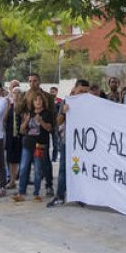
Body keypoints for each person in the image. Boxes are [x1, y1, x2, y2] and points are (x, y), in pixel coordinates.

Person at [48, 79, 89, 207]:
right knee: (64, 169)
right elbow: (58, 122)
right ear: (74, 89)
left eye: (85, 92)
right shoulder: (67, 101)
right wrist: (64, 112)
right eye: (80, 91)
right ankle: (60, 195)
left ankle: (80, 196)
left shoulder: (89, 103)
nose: (82, 94)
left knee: (81, 169)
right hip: (67, 142)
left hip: (83, 143)